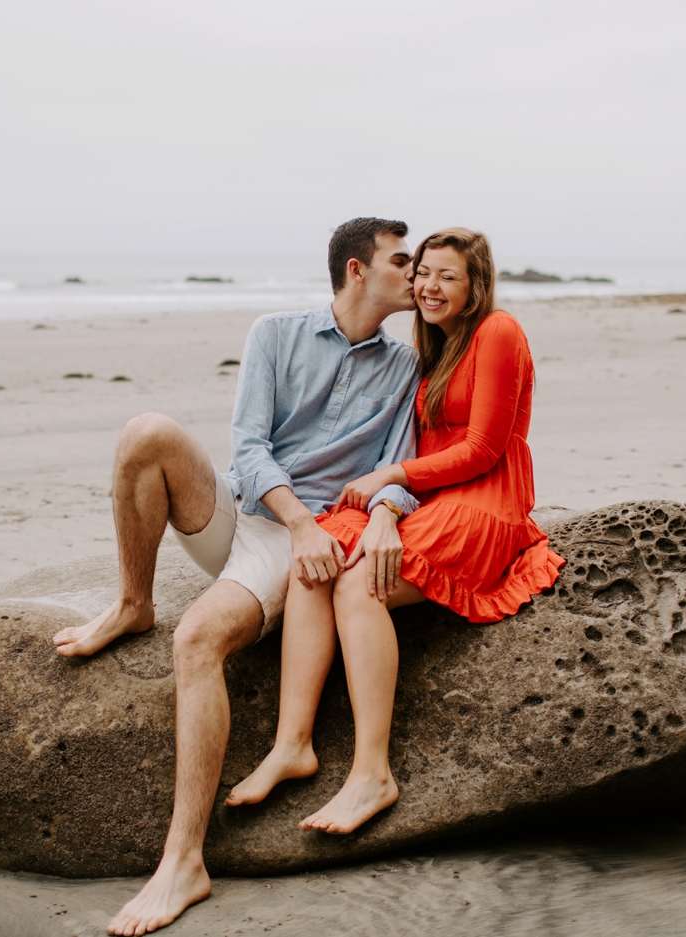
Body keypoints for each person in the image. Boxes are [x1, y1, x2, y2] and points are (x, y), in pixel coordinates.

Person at [51, 217, 423, 936]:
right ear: (356, 270)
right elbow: (248, 449)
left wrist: (374, 515)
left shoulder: (408, 366)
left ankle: (184, 861)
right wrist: (299, 518)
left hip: (301, 552)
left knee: (196, 641)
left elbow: (400, 468)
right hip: (257, 512)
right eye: (401, 260)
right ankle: (132, 601)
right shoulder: (275, 333)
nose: (414, 273)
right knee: (147, 431)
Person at [226, 227, 565, 835]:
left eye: (447, 276)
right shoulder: (430, 342)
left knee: (361, 586)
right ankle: (291, 744)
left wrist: (392, 475)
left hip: (482, 499)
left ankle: (372, 774)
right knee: (320, 555)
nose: (428, 286)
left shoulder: (498, 331)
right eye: (422, 273)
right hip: (423, 497)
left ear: (475, 284)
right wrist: (388, 503)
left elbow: (485, 449)